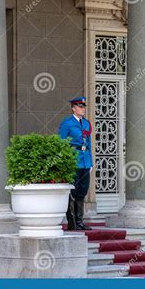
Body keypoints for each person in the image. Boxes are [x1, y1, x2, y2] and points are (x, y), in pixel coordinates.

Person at [58, 96, 93, 230]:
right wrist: (65, 160)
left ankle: (79, 221)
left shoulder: (86, 123)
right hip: (73, 160)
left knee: (82, 192)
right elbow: (61, 142)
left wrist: (90, 162)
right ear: (73, 108)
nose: (82, 109)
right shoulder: (67, 123)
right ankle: (71, 220)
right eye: (80, 106)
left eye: (83, 107)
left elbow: (88, 143)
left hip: (85, 161)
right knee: (72, 191)